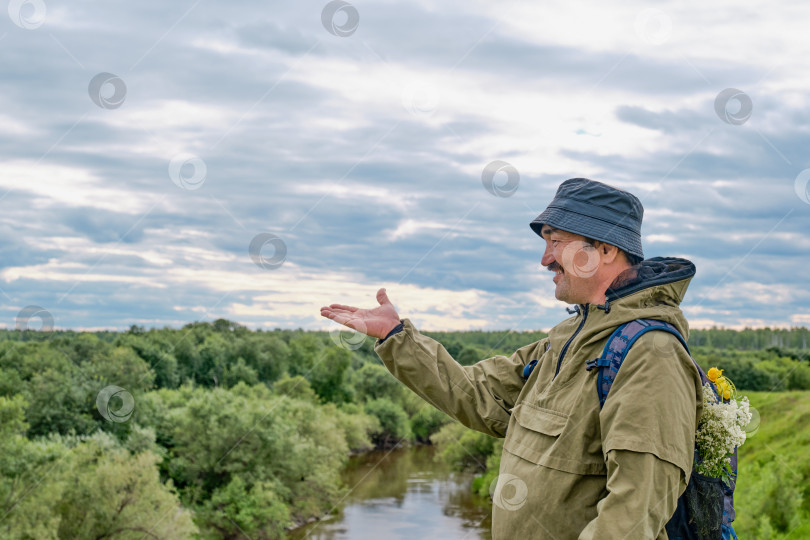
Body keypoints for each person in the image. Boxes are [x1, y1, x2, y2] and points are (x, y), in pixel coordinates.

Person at [320, 177, 703, 539]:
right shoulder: (566, 338)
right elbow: (477, 395)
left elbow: (634, 512)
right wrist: (396, 338)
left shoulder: (651, 353)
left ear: (605, 249)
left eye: (556, 242)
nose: (544, 259)